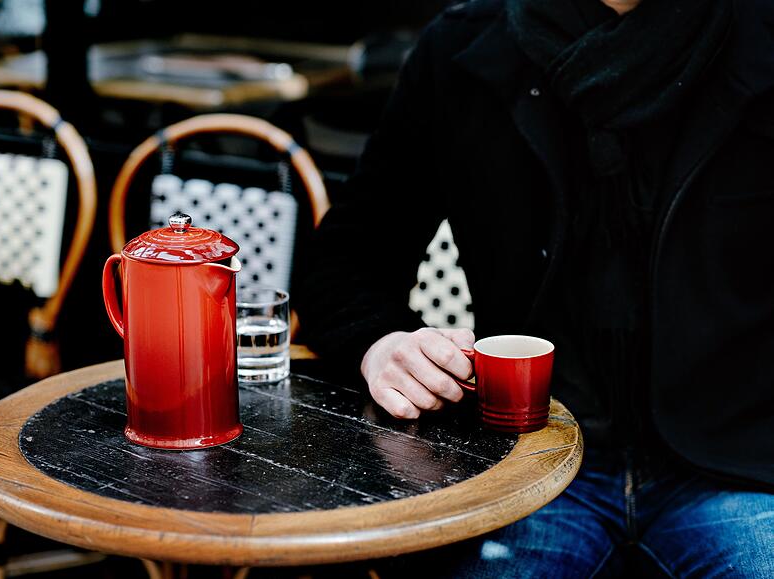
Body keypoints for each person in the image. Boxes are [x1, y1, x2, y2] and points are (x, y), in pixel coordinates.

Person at [298, 0, 774, 576]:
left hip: (739, 464)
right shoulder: (462, 47)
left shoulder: (760, 37)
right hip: (527, 456)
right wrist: (379, 343)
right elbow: (345, 257)